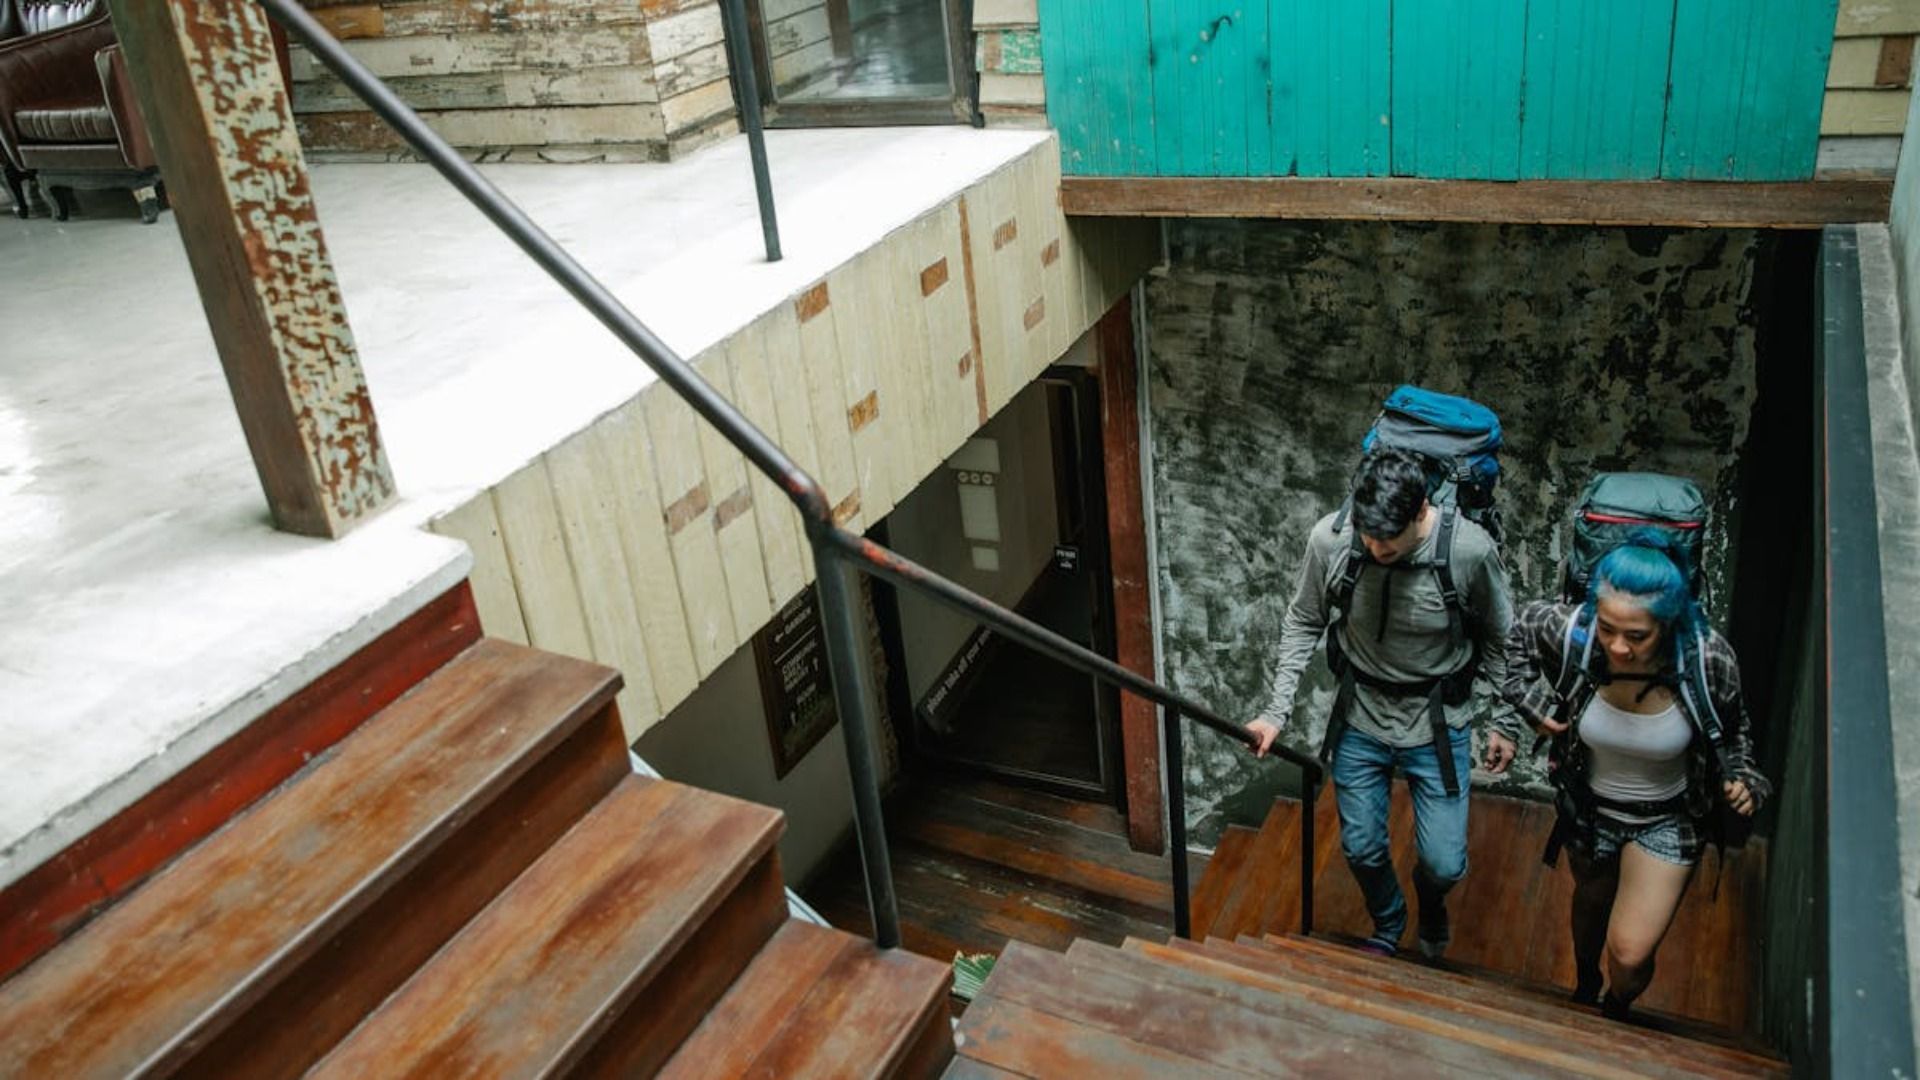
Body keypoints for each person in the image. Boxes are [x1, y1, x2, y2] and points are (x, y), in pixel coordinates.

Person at [1247, 447, 1522, 959]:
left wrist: (1506, 722)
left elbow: (1504, 640)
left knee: (1445, 864)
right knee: (1361, 847)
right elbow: (1304, 618)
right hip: (1361, 716)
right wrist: (1276, 711)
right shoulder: (1332, 540)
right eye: (1366, 534)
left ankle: (1431, 902)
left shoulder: (1468, 551)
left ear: (1421, 511)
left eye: (1387, 538)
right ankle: (1389, 920)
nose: (1373, 547)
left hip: (1437, 722)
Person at [1503, 538, 1769, 1019]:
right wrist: (1530, 703)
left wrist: (1746, 780)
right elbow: (1515, 630)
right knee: (1590, 908)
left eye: (1637, 636)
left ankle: (1616, 1004)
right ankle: (1585, 983)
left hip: (1668, 819)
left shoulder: (1708, 660)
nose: (1618, 647)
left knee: (1628, 954)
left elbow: (1737, 735)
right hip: (1587, 810)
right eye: (1608, 629)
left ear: (1668, 626)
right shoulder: (1574, 633)